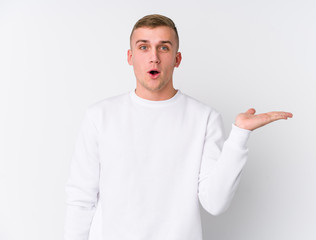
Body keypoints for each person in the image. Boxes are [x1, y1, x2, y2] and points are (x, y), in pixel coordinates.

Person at [64, 14, 293, 240]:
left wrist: (239, 135)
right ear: (130, 56)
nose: (154, 57)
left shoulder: (204, 118)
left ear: (177, 59)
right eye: (144, 47)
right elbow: (80, 199)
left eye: (163, 48)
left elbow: (215, 203)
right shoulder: (100, 116)